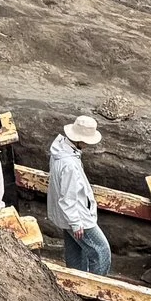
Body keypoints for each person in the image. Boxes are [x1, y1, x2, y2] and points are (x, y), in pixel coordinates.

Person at [46, 114, 110, 273]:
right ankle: (97, 290)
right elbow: (67, 197)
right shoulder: (70, 165)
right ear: (80, 140)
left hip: (68, 215)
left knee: (75, 251)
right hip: (77, 215)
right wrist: (76, 222)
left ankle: (76, 286)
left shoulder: (60, 149)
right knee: (101, 251)